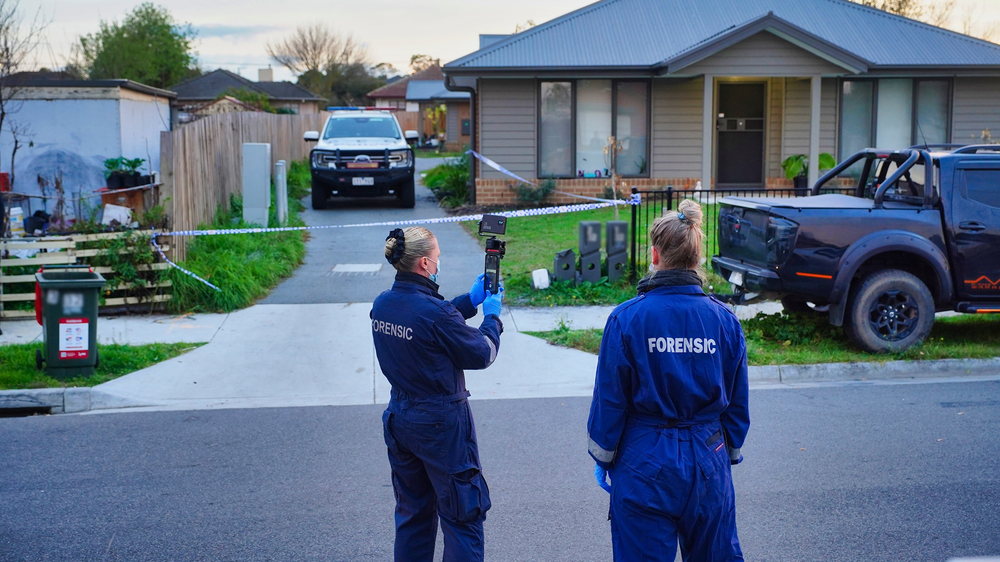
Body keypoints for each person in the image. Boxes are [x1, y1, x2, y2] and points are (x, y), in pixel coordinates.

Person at [587, 199, 750, 561]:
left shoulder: (627, 319)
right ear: (697, 258)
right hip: (708, 454)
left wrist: (603, 455)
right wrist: (728, 452)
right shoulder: (725, 321)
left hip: (644, 457)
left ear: (655, 255)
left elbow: (610, 399)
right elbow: (737, 400)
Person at [371, 226, 504, 562]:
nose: (439, 262)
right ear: (425, 263)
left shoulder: (383, 304)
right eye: (438, 257)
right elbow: (482, 353)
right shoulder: (435, 313)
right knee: (462, 514)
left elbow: (429, 322)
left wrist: (469, 301)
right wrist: (492, 317)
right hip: (440, 424)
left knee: (413, 514)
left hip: (400, 418)